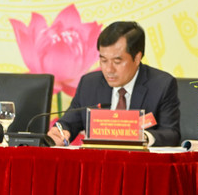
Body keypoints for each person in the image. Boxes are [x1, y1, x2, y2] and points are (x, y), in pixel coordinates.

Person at [47, 21, 180, 147]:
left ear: (137, 58)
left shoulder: (161, 85)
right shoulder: (89, 84)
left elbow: (171, 134)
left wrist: (142, 137)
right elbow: (68, 123)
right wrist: (60, 131)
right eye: (104, 61)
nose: (109, 70)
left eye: (117, 62)